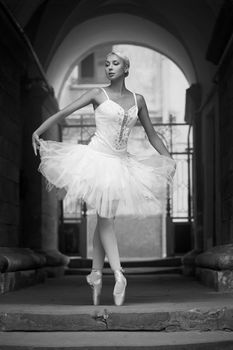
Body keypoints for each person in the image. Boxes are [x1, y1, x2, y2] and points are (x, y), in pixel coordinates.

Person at [32, 51, 176, 307]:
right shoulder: (97, 94)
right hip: (96, 160)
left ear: (126, 68)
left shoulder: (138, 100)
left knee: (104, 217)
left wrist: (168, 158)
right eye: (107, 64)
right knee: (106, 217)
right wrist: (38, 130)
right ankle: (118, 273)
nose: (109, 68)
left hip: (121, 164)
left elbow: (152, 135)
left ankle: (97, 274)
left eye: (115, 63)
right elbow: (64, 111)